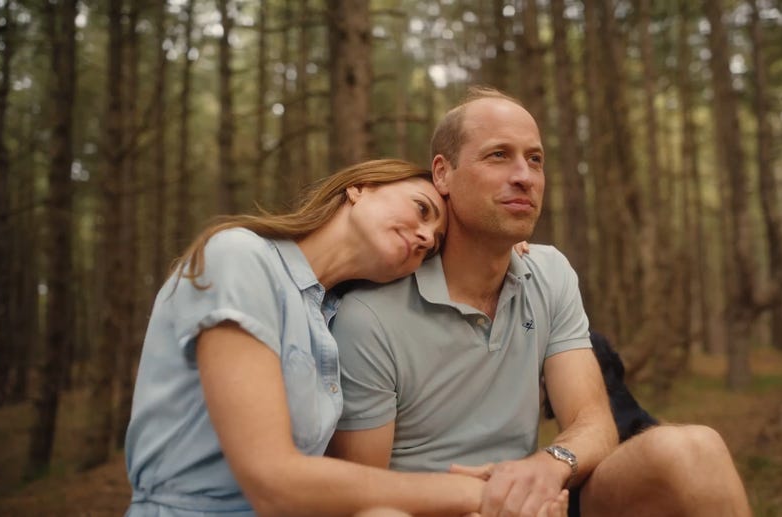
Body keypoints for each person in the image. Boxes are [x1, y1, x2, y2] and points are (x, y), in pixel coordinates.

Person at [327, 89, 752, 516]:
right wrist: (479, 502)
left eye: (535, 159)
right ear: (443, 173)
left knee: (694, 448)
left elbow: (594, 424)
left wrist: (548, 466)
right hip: (434, 508)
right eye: (498, 156)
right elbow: (360, 497)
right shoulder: (370, 314)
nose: (524, 177)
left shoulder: (549, 273)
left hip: (541, 503)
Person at [124, 158, 568, 516]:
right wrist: (473, 494)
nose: (423, 237)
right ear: (360, 187)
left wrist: (503, 250)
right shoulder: (241, 257)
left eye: (433, 244)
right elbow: (272, 482)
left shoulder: (332, 317)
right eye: (421, 209)